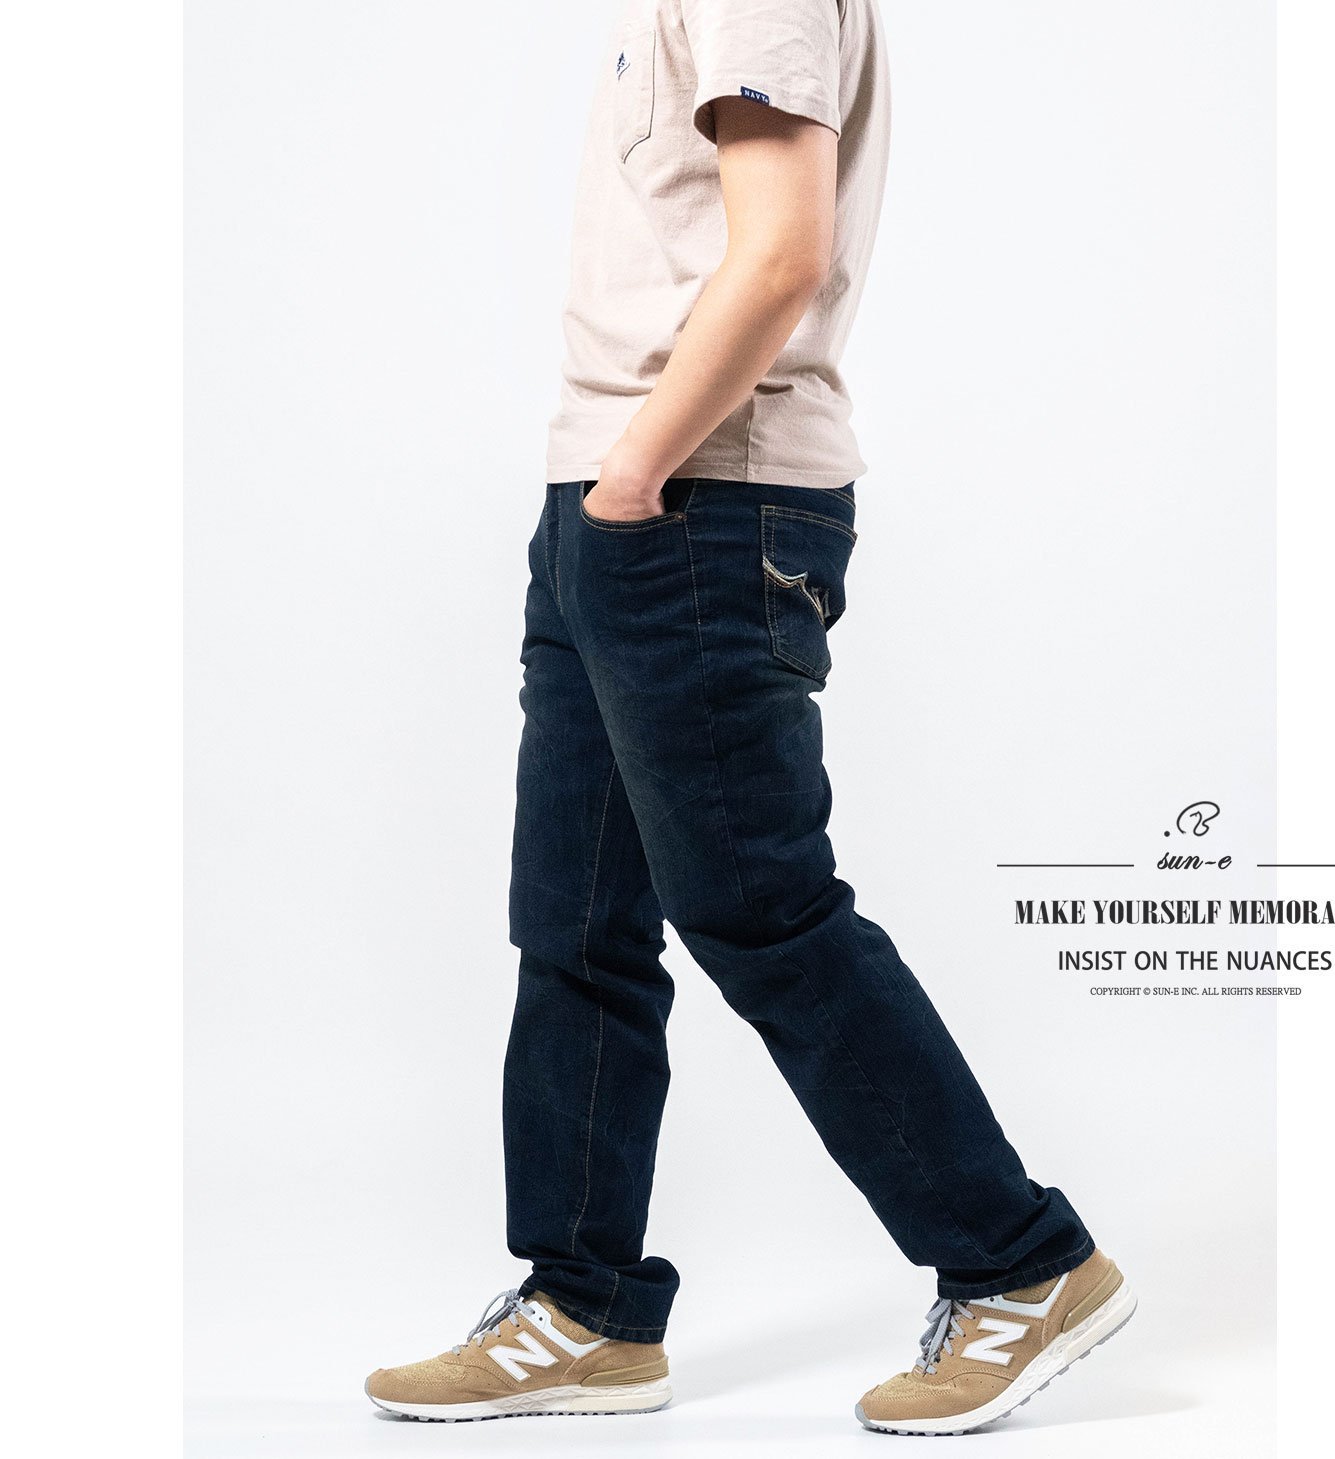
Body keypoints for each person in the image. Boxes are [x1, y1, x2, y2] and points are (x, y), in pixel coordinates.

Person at [366, 0, 1133, 1435]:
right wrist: (601, 490)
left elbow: (784, 250)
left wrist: (634, 478)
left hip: (696, 503)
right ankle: (584, 1307)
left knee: (762, 912)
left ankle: (1020, 1261)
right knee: (576, 921)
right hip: (618, 498)